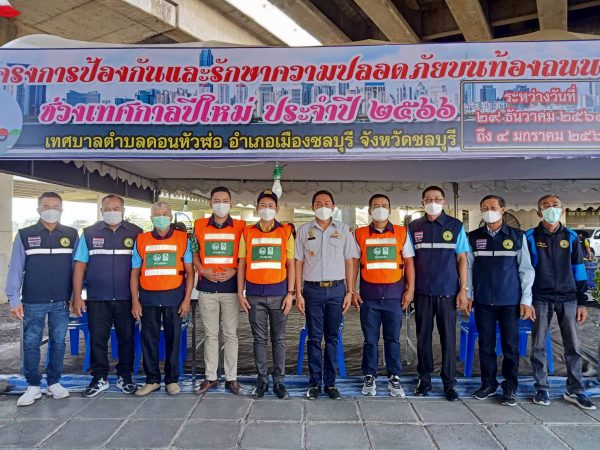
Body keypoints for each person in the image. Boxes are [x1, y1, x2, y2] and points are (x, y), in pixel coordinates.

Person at [6, 192, 78, 406]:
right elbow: (15, 268)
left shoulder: (71, 234)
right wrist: (14, 299)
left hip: (61, 301)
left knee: (59, 342)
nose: (51, 210)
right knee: (31, 342)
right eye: (46, 206)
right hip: (33, 300)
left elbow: (77, 269)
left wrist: (75, 297)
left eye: (55, 206)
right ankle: (33, 385)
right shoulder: (25, 235)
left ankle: (54, 382)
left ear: (62, 210)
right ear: (38, 209)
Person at [526, 194, 596, 410]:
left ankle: (575, 390)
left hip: (568, 298)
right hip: (540, 297)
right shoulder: (530, 236)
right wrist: (527, 300)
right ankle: (541, 387)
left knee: (573, 345)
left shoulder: (572, 236)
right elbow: (525, 271)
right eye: (546, 205)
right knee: (538, 345)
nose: (551, 208)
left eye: (555, 205)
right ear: (539, 212)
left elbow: (579, 270)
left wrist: (582, 302)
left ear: (562, 210)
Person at [466, 195, 535, 406]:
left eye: (493, 207)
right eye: (484, 208)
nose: (489, 211)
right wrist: (469, 295)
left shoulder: (517, 236)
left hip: (510, 301)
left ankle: (510, 385)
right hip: (483, 301)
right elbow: (468, 268)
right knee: (486, 345)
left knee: (510, 346)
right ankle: (488, 383)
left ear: (503, 210)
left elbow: (526, 269)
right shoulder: (473, 237)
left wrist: (526, 299)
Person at [72, 194, 142, 397]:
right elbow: (79, 266)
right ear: (101, 211)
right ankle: (99, 377)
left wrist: (137, 298)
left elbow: (140, 267)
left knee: (126, 338)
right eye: (108, 209)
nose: (112, 212)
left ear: (123, 211)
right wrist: (77, 296)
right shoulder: (89, 233)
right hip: (97, 297)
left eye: (116, 209)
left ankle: (125, 377)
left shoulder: (136, 233)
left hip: (126, 297)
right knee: (97, 339)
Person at [295, 190, 359, 400]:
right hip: (312, 290)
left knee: (332, 337)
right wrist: (298, 293)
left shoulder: (343, 230)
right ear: (312, 207)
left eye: (327, 203)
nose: (323, 206)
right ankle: (314, 382)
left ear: (333, 206)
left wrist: (350, 291)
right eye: (318, 203)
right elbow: (298, 262)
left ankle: (330, 383)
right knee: (314, 338)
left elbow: (350, 261)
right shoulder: (304, 230)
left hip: (337, 290)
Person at [407, 186, 469, 401]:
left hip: (448, 293)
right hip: (422, 292)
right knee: (423, 338)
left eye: (437, 199)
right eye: (428, 199)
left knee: (448, 339)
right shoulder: (414, 227)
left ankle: (449, 383)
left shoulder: (455, 226)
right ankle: (424, 380)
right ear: (422, 202)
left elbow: (462, 258)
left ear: (444, 202)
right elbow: (409, 260)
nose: (432, 202)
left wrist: (463, 289)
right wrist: (410, 289)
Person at [130, 202, 194, 396]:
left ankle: (172, 380)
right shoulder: (141, 240)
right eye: (157, 214)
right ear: (151, 218)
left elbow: (190, 273)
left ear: (171, 217)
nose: (161, 217)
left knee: (173, 340)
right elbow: (135, 272)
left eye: (165, 214)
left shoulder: (183, 239)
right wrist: (135, 300)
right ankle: (152, 380)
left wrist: (186, 300)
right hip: (148, 298)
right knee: (148, 339)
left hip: (174, 297)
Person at [353, 194, 415, 397]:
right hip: (369, 296)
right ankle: (369, 375)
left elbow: (409, 263)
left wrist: (410, 290)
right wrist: (352, 289)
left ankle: (394, 377)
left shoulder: (401, 233)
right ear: (369, 210)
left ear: (390, 209)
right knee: (370, 340)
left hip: (394, 296)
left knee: (393, 339)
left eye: (384, 205)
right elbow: (354, 263)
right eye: (376, 205)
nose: (380, 208)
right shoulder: (360, 234)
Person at [237, 190, 295, 399]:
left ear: (277, 209)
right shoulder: (247, 232)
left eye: (271, 206)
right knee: (259, 340)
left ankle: (279, 381)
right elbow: (242, 263)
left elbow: (291, 264)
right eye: (263, 205)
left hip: (280, 294)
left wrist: (291, 293)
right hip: (254, 295)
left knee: (279, 340)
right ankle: (262, 380)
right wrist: (240, 292)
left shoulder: (286, 232)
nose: (267, 209)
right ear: (257, 208)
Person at [192, 186, 245, 395]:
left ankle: (231, 378)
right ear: (210, 203)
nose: (220, 204)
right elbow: (194, 253)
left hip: (231, 289)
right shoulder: (199, 225)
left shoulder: (241, 226)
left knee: (231, 334)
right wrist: (202, 271)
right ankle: (210, 377)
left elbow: (244, 256)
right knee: (210, 334)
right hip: (207, 289)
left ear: (231, 203)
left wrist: (234, 271)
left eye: (225, 201)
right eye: (216, 200)